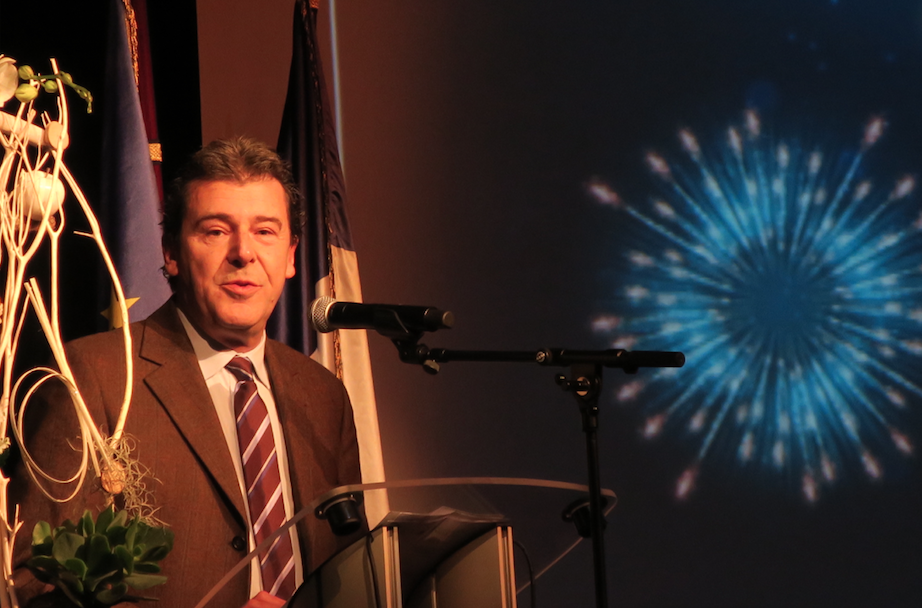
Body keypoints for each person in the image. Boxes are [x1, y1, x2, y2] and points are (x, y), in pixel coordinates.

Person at [10, 137, 363, 607]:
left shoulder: (323, 395)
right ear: (171, 253)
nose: (243, 253)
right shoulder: (93, 376)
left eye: (265, 231)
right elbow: (34, 583)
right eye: (215, 231)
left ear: (291, 255)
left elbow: (355, 569)